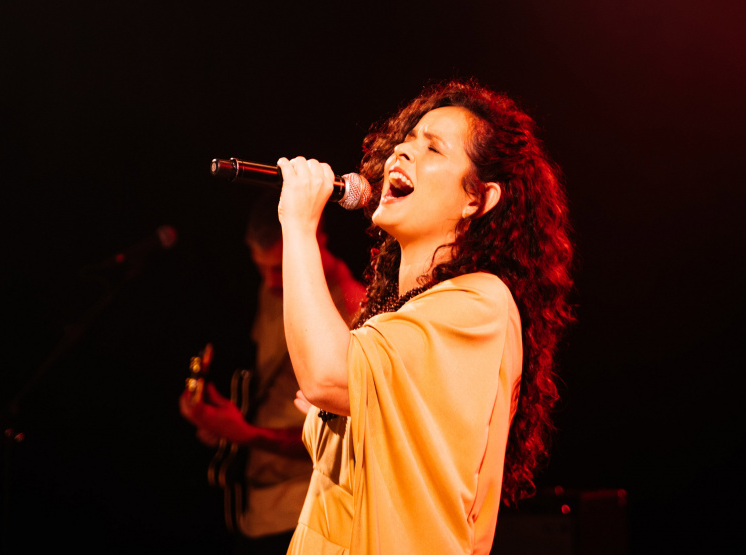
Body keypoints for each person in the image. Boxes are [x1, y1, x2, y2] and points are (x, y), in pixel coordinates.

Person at [276, 79, 575, 553]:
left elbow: (327, 374)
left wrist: (297, 224)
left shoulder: (481, 304)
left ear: (478, 198)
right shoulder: (404, 310)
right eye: (407, 139)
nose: (402, 151)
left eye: (432, 148)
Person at [179, 193, 366, 554]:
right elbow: (272, 388)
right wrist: (221, 420)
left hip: (309, 509)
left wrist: (246, 434)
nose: (269, 281)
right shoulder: (273, 289)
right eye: (260, 267)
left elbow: (349, 436)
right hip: (256, 508)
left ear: (315, 238)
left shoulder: (354, 310)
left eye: (279, 268)